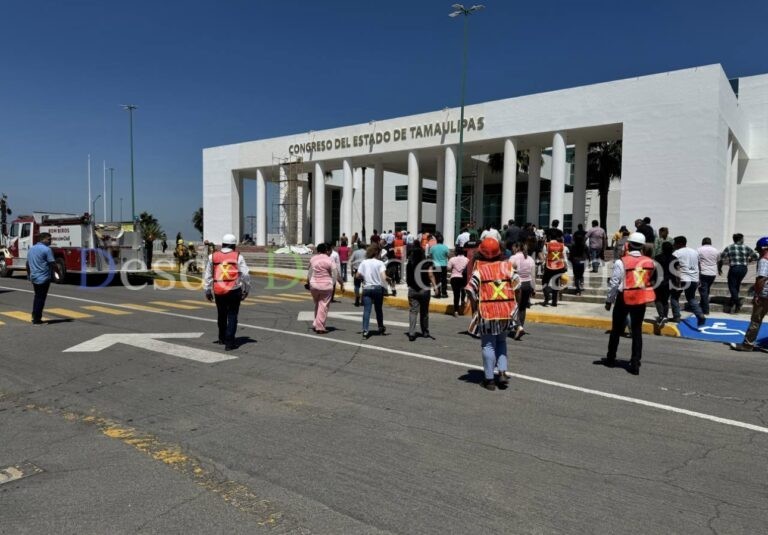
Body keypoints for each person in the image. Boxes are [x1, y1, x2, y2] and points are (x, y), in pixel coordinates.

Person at [465, 237, 520, 390]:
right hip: (505, 312)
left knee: (488, 345)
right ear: (499, 252)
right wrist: (515, 305)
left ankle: (489, 380)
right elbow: (518, 286)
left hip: (487, 313)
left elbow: (469, 290)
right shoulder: (507, 267)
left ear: (480, 253)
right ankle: (502, 372)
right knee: (501, 342)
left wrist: (474, 308)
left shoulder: (479, 270)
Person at [601, 232, 655, 375]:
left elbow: (614, 283)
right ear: (642, 246)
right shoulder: (650, 262)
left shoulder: (621, 262)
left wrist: (609, 301)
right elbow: (649, 279)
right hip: (640, 299)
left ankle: (611, 358)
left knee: (616, 330)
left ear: (628, 245)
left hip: (624, 298)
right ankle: (635, 362)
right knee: (637, 331)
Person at [203, 233, 250, 351]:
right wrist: (246, 289)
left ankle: (222, 338)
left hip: (218, 290)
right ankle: (229, 342)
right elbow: (245, 275)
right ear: (234, 246)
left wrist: (207, 290)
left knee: (221, 315)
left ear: (223, 244)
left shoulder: (212, 256)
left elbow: (208, 274)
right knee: (232, 315)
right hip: (234, 290)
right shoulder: (238, 256)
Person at [731, 237, 768, 351]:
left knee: (756, 320)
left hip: (764, 295)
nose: (759, 253)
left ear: (764, 248)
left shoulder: (764, 260)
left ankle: (747, 345)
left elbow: (761, 279)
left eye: (759, 250)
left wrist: (757, 294)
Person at [306, 243, 343, 334]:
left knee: (318, 304)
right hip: (326, 286)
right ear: (326, 251)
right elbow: (336, 273)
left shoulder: (313, 259)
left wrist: (308, 282)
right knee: (323, 306)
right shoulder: (330, 260)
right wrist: (340, 283)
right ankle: (320, 327)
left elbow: (309, 271)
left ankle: (316, 323)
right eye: (329, 251)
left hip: (314, 285)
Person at [670, 236, 706, 327]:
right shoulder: (694, 252)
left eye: (675, 243)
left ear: (679, 243)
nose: (674, 245)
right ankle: (700, 314)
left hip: (682, 278)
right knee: (691, 298)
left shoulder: (676, 253)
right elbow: (699, 265)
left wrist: (676, 281)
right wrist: (699, 278)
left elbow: (676, 267)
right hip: (694, 278)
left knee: (674, 297)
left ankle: (676, 316)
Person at [718, 233, 759, 313]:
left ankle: (737, 302)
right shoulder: (746, 247)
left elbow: (721, 258)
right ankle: (733, 301)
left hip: (734, 268)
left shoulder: (729, 247)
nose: (743, 240)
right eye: (743, 238)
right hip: (743, 269)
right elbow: (755, 257)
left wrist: (719, 268)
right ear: (740, 239)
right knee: (737, 284)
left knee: (732, 286)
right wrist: (749, 260)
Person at [356, 244, 389, 339]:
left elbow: (357, 275)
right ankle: (380, 327)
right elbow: (383, 277)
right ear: (377, 252)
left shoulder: (364, 262)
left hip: (367, 288)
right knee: (378, 309)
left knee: (367, 310)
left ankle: (365, 331)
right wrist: (388, 279)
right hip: (378, 289)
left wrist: (364, 277)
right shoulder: (380, 263)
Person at [406, 246, 437, 341]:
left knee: (413, 311)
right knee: (424, 311)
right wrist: (435, 287)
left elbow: (408, 277)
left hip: (413, 289)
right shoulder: (427, 263)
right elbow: (430, 274)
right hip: (424, 289)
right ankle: (425, 331)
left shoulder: (409, 264)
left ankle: (411, 333)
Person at [26, 232, 56, 325]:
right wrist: (56, 272)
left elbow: (27, 263)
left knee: (37, 297)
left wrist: (29, 275)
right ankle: (37, 319)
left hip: (34, 276)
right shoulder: (47, 249)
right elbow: (52, 263)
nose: (50, 241)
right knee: (41, 298)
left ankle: (34, 315)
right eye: (49, 239)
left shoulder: (31, 249)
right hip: (44, 277)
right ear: (42, 239)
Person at [510, 241, 535, 340]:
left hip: (517, 285)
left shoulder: (513, 258)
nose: (512, 249)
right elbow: (533, 275)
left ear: (517, 247)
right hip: (527, 285)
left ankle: (518, 327)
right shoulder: (530, 259)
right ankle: (521, 327)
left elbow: (508, 272)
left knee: (515, 307)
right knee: (523, 308)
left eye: (513, 247)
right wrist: (533, 288)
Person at [653, 241, 675, 326]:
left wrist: (651, 279)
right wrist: (678, 282)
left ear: (662, 248)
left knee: (658, 299)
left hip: (658, 281)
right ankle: (665, 316)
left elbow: (654, 269)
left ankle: (661, 315)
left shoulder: (657, 257)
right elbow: (677, 271)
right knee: (665, 300)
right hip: (670, 282)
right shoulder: (674, 258)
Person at [542, 237, 567, 307]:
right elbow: (564, 257)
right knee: (555, 283)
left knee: (545, 282)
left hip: (549, 267)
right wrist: (566, 266)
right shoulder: (562, 245)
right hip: (559, 267)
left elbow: (545, 256)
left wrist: (543, 265)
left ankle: (547, 296)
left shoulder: (547, 245)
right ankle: (554, 302)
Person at [697, 237, 719, 315]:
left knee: (703, 291)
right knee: (706, 290)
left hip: (703, 272)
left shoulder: (699, 250)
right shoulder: (716, 250)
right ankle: (702, 305)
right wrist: (719, 269)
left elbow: (697, 261)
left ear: (702, 242)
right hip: (712, 273)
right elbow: (718, 260)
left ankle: (706, 310)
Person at [448, 246, 469, 317]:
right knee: (463, 290)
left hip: (454, 278)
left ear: (456, 252)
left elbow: (448, 268)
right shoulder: (467, 259)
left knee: (456, 295)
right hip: (463, 278)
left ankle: (456, 311)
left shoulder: (452, 259)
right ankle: (462, 301)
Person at [429, 233, 450, 298]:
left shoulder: (433, 247)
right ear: (442, 240)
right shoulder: (445, 247)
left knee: (437, 279)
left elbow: (430, 256)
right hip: (444, 265)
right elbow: (448, 256)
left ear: (437, 240)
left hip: (436, 265)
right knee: (444, 280)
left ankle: (437, 293)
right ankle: (444, 293)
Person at [569, 231, 587, 295]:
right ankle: (581, 284)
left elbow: (571, 255)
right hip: (582, 262)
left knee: (576, 276)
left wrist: (570, 261)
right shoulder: (584, 246)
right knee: (580, 275)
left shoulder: (573, 246)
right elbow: (587, 254)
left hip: (575, 262)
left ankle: (577, 290)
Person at [349, 242, 366, 307]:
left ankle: (357, 298)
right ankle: (363, 300)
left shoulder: (355, 252)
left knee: (356, 285)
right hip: (364, 271)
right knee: (364, 285)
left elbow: (351, 261)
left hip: (357, 271)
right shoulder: (366, 252)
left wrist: (351, 270)